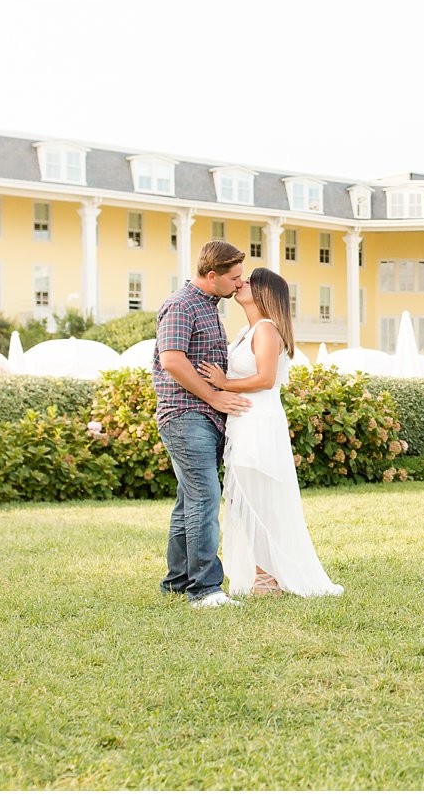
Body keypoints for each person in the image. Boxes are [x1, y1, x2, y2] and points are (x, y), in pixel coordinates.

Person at [199, 267, 343, 599]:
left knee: (255, 500)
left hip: (259, 422)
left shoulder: (266, 330)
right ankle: (262, 574)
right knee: (243, 499)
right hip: (243, 422)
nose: (240, 283)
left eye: (248, 281)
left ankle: (268, 580)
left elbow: (265, 379)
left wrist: (224, 384)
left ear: (264, 292)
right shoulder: (246, 332)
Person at [154, 240, 252, 609]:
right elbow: (172, 361)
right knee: (205, 498)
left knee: (189, 502)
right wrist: (213, 397)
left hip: (205, 417)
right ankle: (205, 589)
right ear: (212, 276)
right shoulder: (181, 304)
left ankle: (178, 582)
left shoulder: (209, 308)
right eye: (235, 278)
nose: (240, 284)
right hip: (185, 415)